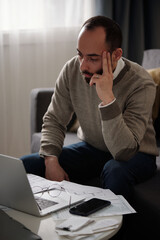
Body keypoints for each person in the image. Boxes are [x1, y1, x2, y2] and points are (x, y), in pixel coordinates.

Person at [21, 16, 158, 201]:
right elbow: (54, 118)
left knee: (115, 170)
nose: (82, 65)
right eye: (80, 54)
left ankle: (112, 230)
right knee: (25, 165)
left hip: (136, 154)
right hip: (92, 148)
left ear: (116, 55)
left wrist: (108, 99)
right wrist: (51, 159)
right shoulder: (72, 69)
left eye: (92, 58)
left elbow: (123, 151)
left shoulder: (141, 83)